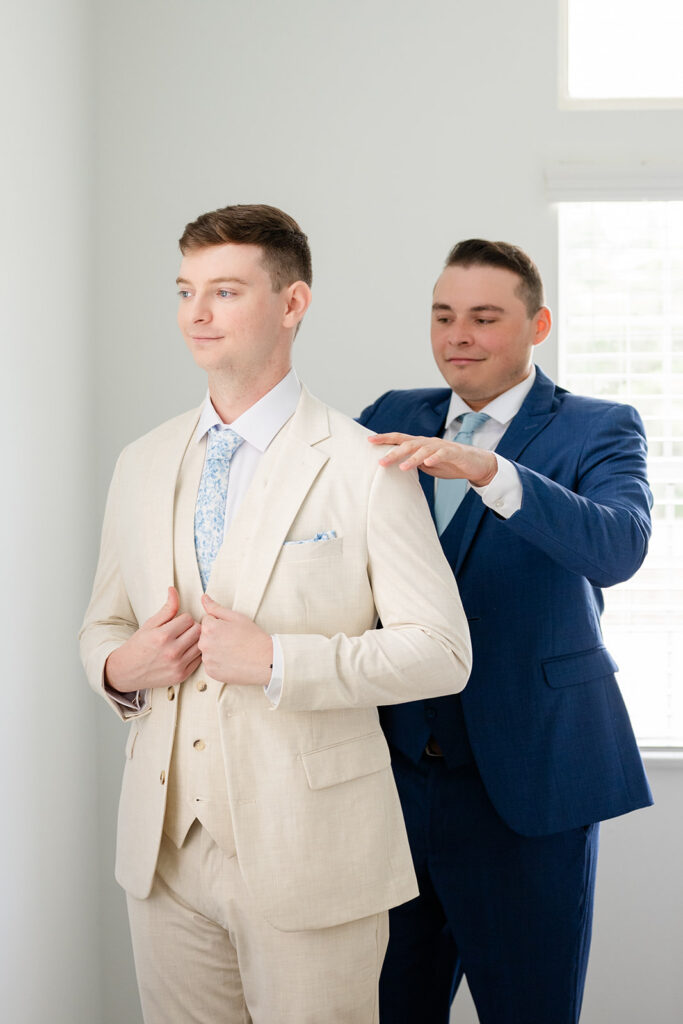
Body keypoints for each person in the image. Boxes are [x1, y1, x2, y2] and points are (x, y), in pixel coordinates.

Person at [79, 204, 471, 1024]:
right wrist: (120, 668)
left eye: (224, 291)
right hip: (163, 854)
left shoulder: (368, 466)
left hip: (313, 854)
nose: (196, 313)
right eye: (186, 290)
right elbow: (104, 626)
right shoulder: (141, 462)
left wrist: (279, 662)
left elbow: (440, 651)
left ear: (292, 305)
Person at [359, 238, 653, 1024]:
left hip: (530, 782)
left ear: (537, 324)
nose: (457, 334)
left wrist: (493, 473)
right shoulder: (390, 414)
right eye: (443, 315)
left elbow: (619, 547)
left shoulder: (598, 428)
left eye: (483, 317)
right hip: (393, 780)